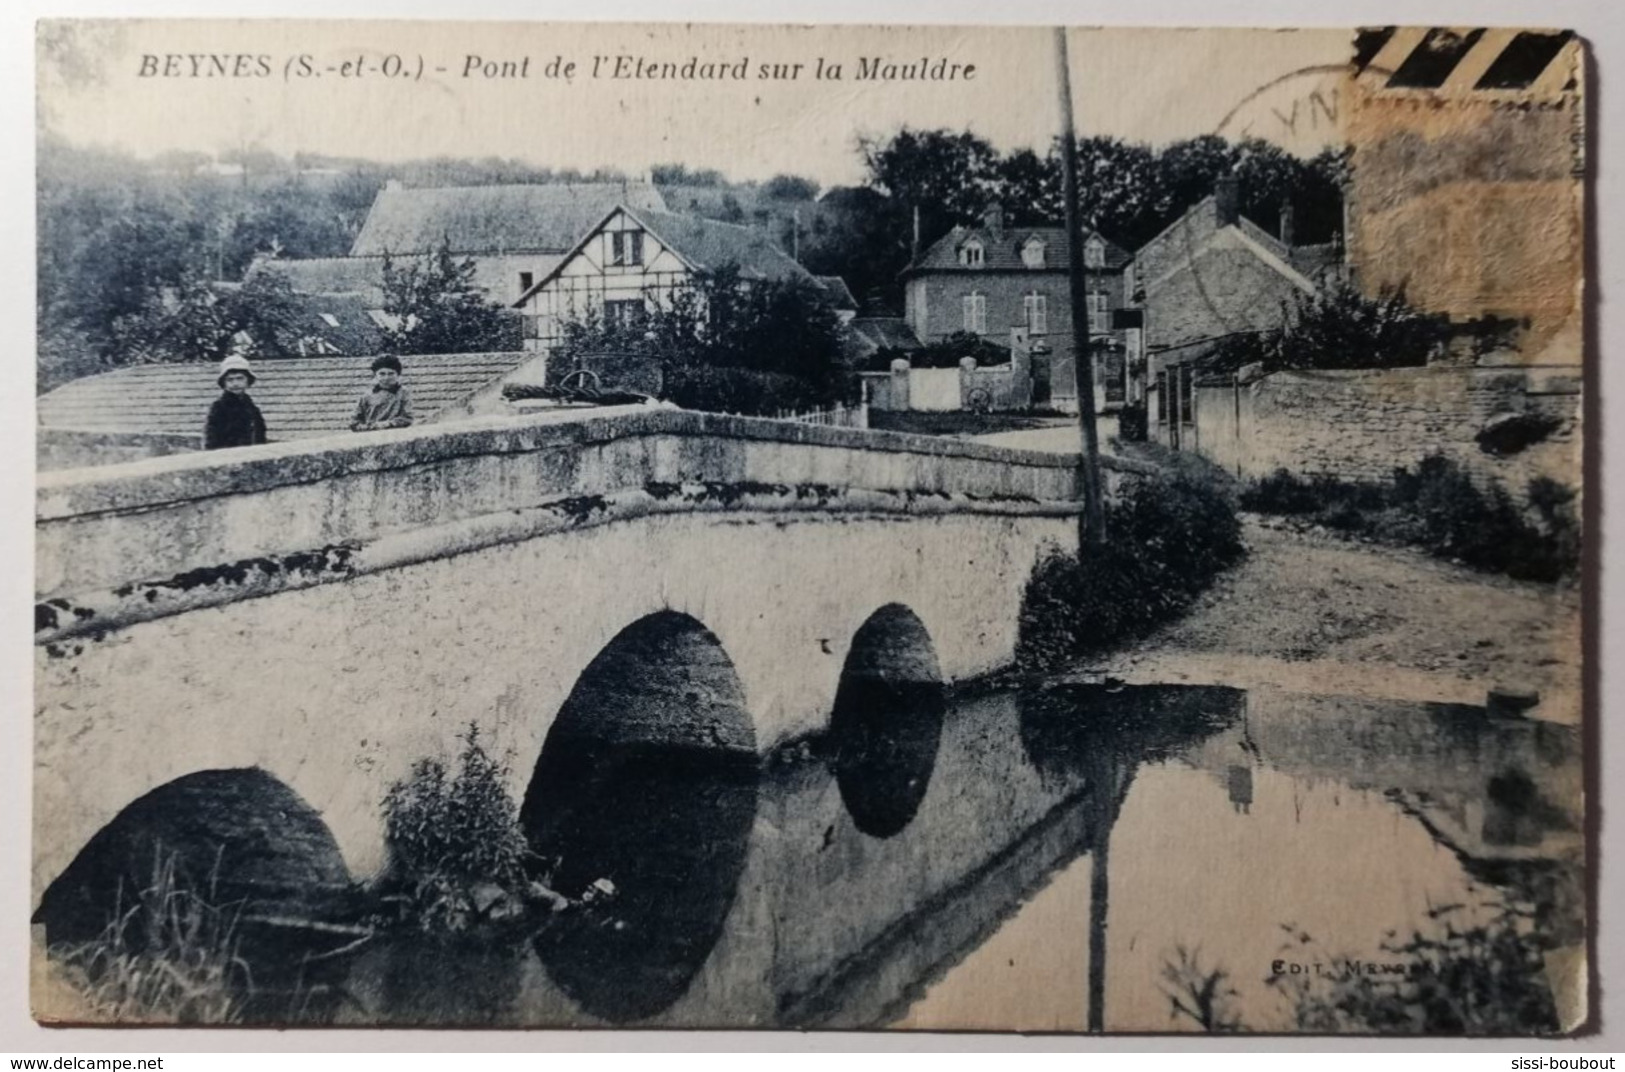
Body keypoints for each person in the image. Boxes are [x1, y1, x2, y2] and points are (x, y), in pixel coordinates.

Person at [204, 355, 268, 450]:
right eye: (230, 380)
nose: (235, 384)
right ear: (224, 383)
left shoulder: (252, 408)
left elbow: (260, 436)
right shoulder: (219, 408)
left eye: (240, 378)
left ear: (248, 381)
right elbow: (211, 440)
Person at [351, 354, 415, 432]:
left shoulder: (404, 393)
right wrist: (367, 427)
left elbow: (407, 418)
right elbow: (354, 421)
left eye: (391, 374)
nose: (386, 378)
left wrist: (388, 424)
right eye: (382, 374)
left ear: (398, 374)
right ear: (375, 375)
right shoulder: (367, 395)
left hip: (395, 434)